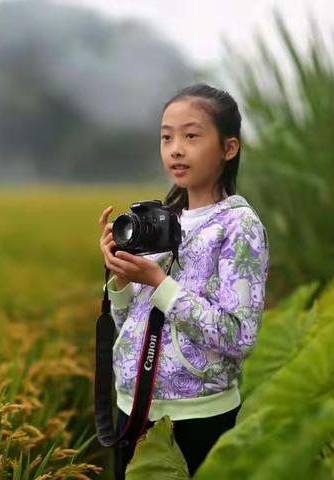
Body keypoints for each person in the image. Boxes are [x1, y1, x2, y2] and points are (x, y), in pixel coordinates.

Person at [98, 83, 270, 478]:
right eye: (166, 137)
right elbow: (131, 328)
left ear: (229, 148)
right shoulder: (161, 222)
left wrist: (160, 283)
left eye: (191, 136)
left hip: (196, 419)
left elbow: (237, 336)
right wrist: (122, 279)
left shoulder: (239, 226)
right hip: (133, 408)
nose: (176, 148)